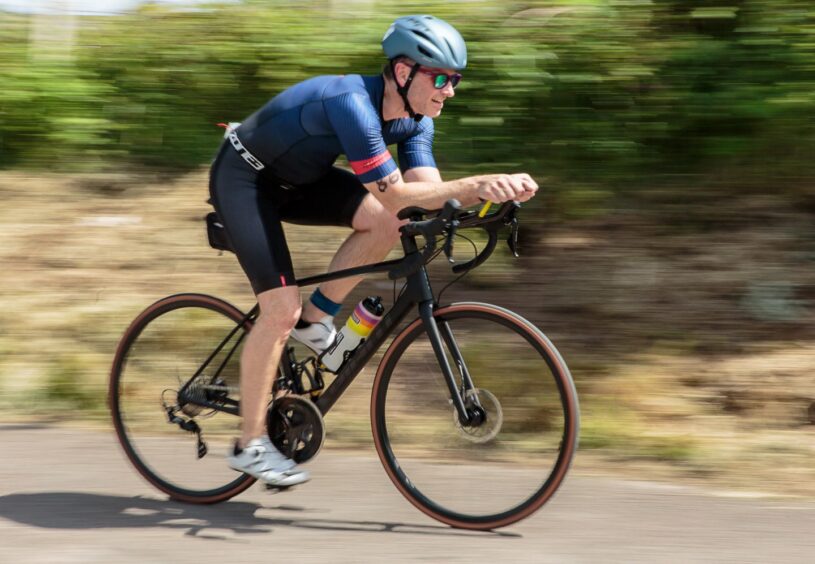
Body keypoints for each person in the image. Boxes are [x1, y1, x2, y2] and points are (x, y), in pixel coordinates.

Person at [209, 15, 539, 486]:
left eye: (457, 80)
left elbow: (426, 196)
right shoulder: (351, 102)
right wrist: (479, 183)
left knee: (390, 220)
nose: (450, 91)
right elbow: (397, 194)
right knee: (279, 310)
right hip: (245, 178)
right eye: (441, 78)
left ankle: (316, 320)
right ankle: (250, 444)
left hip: (299, 180)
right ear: (403, 73)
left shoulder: (416, 120)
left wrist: (490, 199)